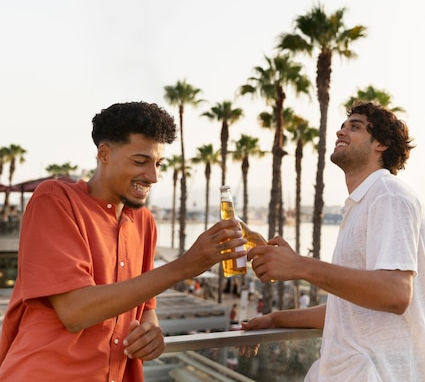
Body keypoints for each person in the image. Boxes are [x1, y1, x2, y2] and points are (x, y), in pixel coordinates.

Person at [0, 101, 247, 381]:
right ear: (104, 154)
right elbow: (74, 311)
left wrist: (151, 331)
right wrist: (185, 267)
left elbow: (146, 309)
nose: (153, 176)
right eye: (140, 161)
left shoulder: (145, 222)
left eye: (158, 164)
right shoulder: (55, 200)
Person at [242, 101, 425, 381]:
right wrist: (275, 319)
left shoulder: (388, 195)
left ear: (381, 144)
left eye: (355, 127)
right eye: (342, 126)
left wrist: (300, 266)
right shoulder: (363, 202)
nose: (340, 132)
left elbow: (396, 294)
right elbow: (347, 312)